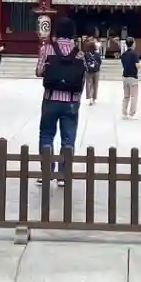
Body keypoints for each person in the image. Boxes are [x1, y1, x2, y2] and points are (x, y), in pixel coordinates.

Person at [36, 14, 85, 174]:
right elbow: (82, 78)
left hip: (51, 98)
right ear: (73, 32)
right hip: (71, 101)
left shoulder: (47, 49)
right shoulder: (79, 53)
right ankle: (64, 173)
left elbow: (39, 71)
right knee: (68, 138)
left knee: (46, 134)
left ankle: (47, 172)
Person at [119, 34, 140, 117]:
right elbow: (137, 65)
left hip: (125, 76)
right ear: (133, 44)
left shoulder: (123, 55)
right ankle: (132, 112)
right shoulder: (135, 54)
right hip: (133, 77)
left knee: (126, 96)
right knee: (134, 96)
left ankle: (124, 112)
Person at [81, 33, 102, 103]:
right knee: (95, 85)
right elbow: (100, 62)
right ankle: (94, 98)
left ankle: (89, 97)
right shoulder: (97, 54)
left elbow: (84, 62)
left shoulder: (86, 54)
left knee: (88, 84)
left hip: (88, 71)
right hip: (96, 71)